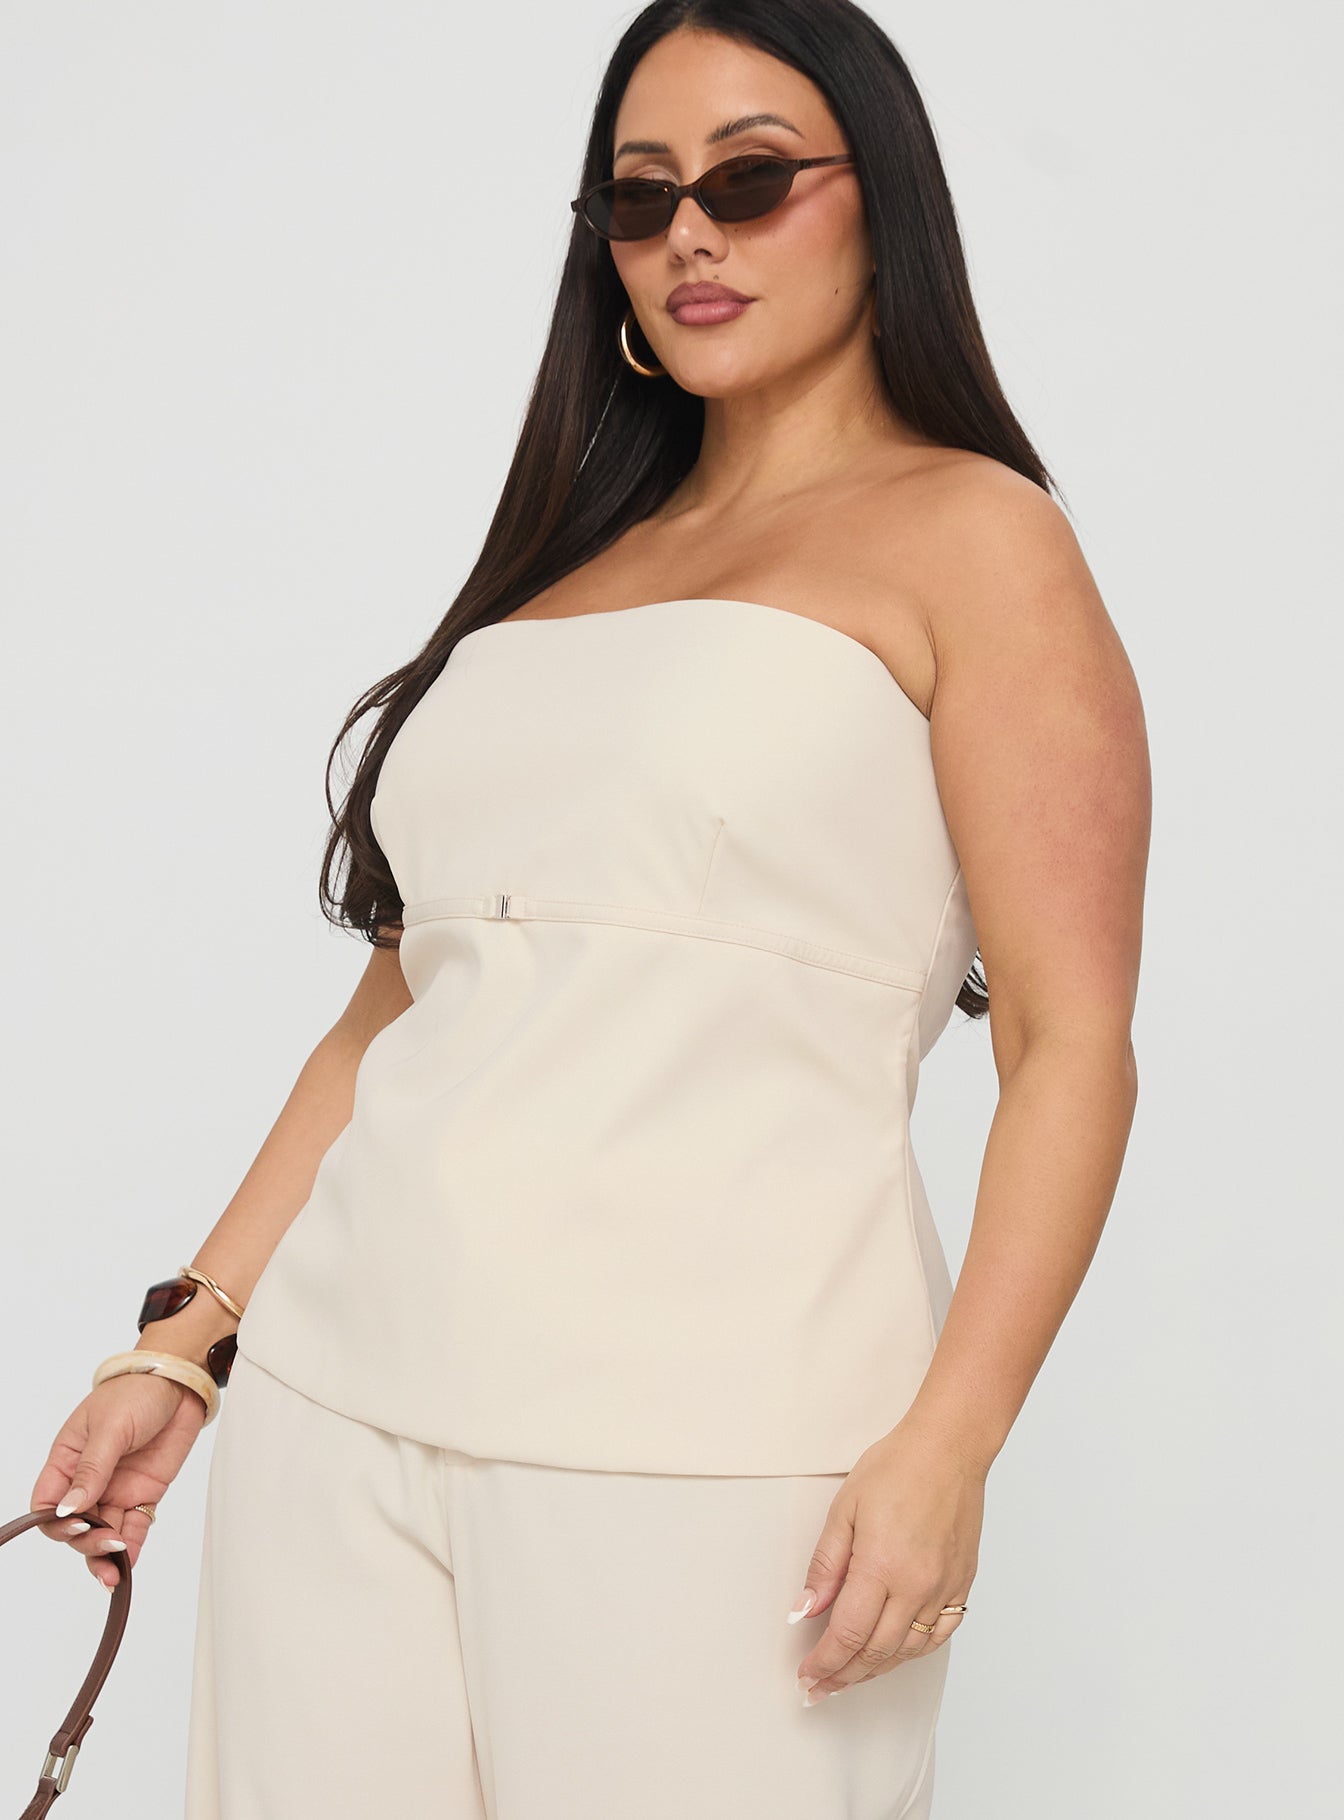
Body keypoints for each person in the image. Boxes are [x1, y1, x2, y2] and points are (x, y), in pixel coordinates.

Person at [29, 2, 1150, 1815]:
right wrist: (188, 1343)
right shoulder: (569, 559)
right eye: (641, 198)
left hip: (718, 1437)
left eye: (749, 180)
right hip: (341, 1411)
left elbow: (1070, 1036)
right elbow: (404, 1006)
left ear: (883, 199)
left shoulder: (979, 539)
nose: (690, 232)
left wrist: (954, 1442)